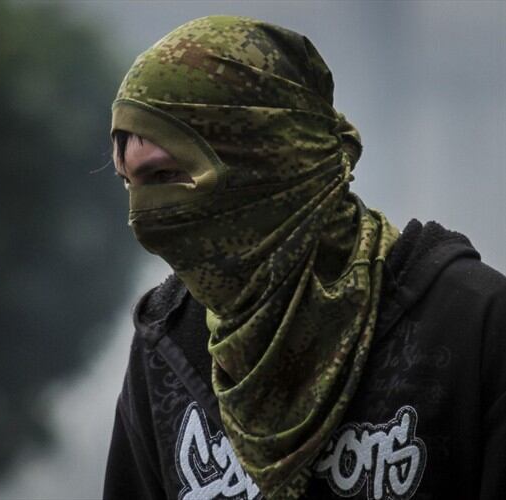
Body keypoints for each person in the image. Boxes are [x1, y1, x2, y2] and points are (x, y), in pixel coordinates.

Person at [102, 15, 506, 500]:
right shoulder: (168, 344)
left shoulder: (472, 324)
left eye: (167, 177)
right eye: (132, 184)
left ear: (265, 161)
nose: (144, 219)